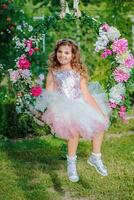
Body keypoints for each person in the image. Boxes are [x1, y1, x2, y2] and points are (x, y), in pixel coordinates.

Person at [33, 38, 111, 182]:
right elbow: (50, 94)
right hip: (63, 106)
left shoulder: (78, 72)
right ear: (56, 53)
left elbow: (86, 95)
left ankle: (95, 156)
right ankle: (71, 164)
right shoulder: (53, 72)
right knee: (73, 132)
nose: (62, 55)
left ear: (73, 55)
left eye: (67, 53)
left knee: (100, 123)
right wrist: (53, 111)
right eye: (60, 52)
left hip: (80, 103)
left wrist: (100, 113)